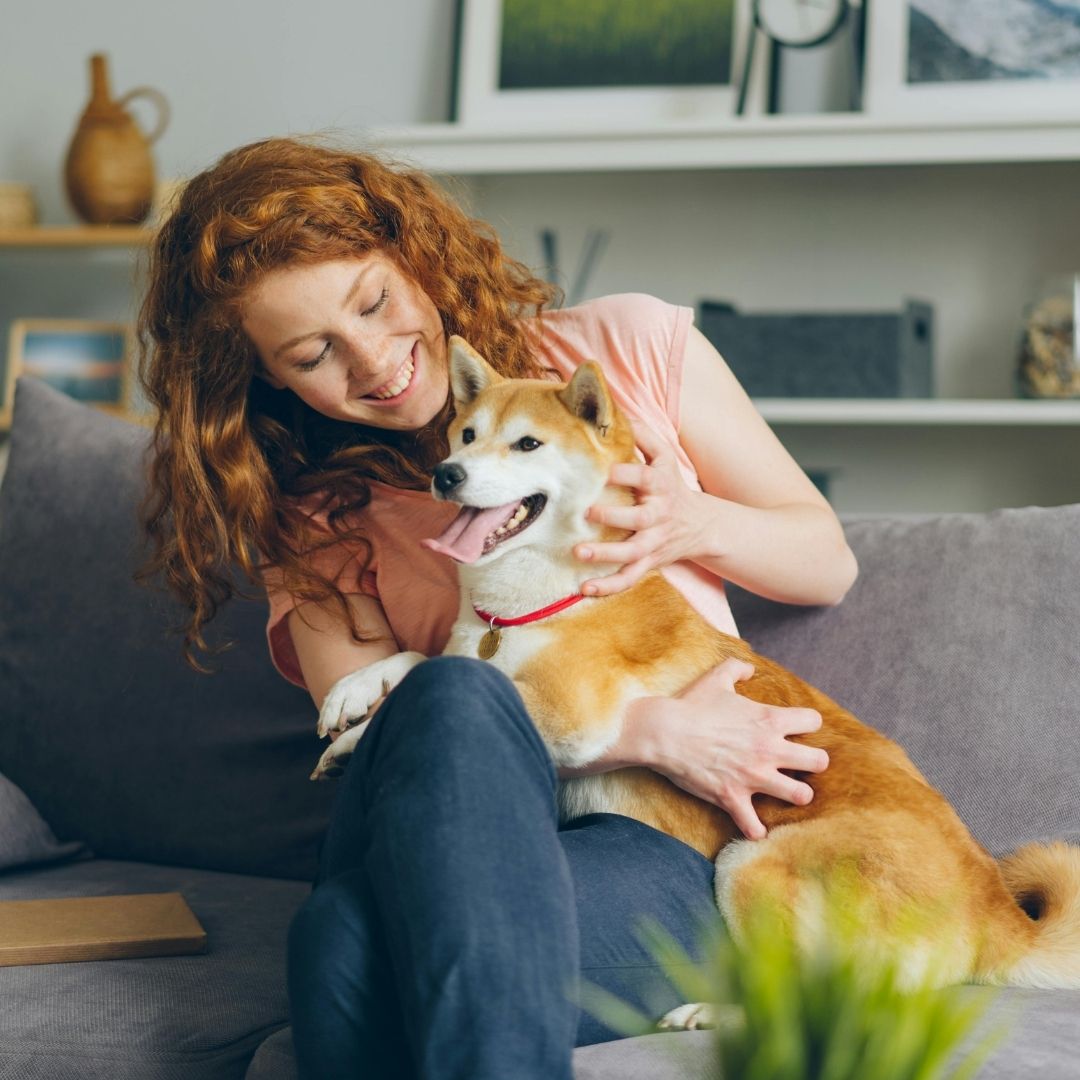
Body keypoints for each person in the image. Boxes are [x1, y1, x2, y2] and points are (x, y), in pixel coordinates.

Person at [138, 136, 857, 1080]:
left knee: (342, 947)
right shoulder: (312, 514)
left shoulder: (620, 348)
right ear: (269, 378)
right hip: (443, 820)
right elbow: (378, 730)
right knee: (447, 698)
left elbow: (826, 562)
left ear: (416, 257)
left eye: (376, 302)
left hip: (652, 841)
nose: (377, 361)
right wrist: (645, 732)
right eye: (314, 354)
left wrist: (690, 522)